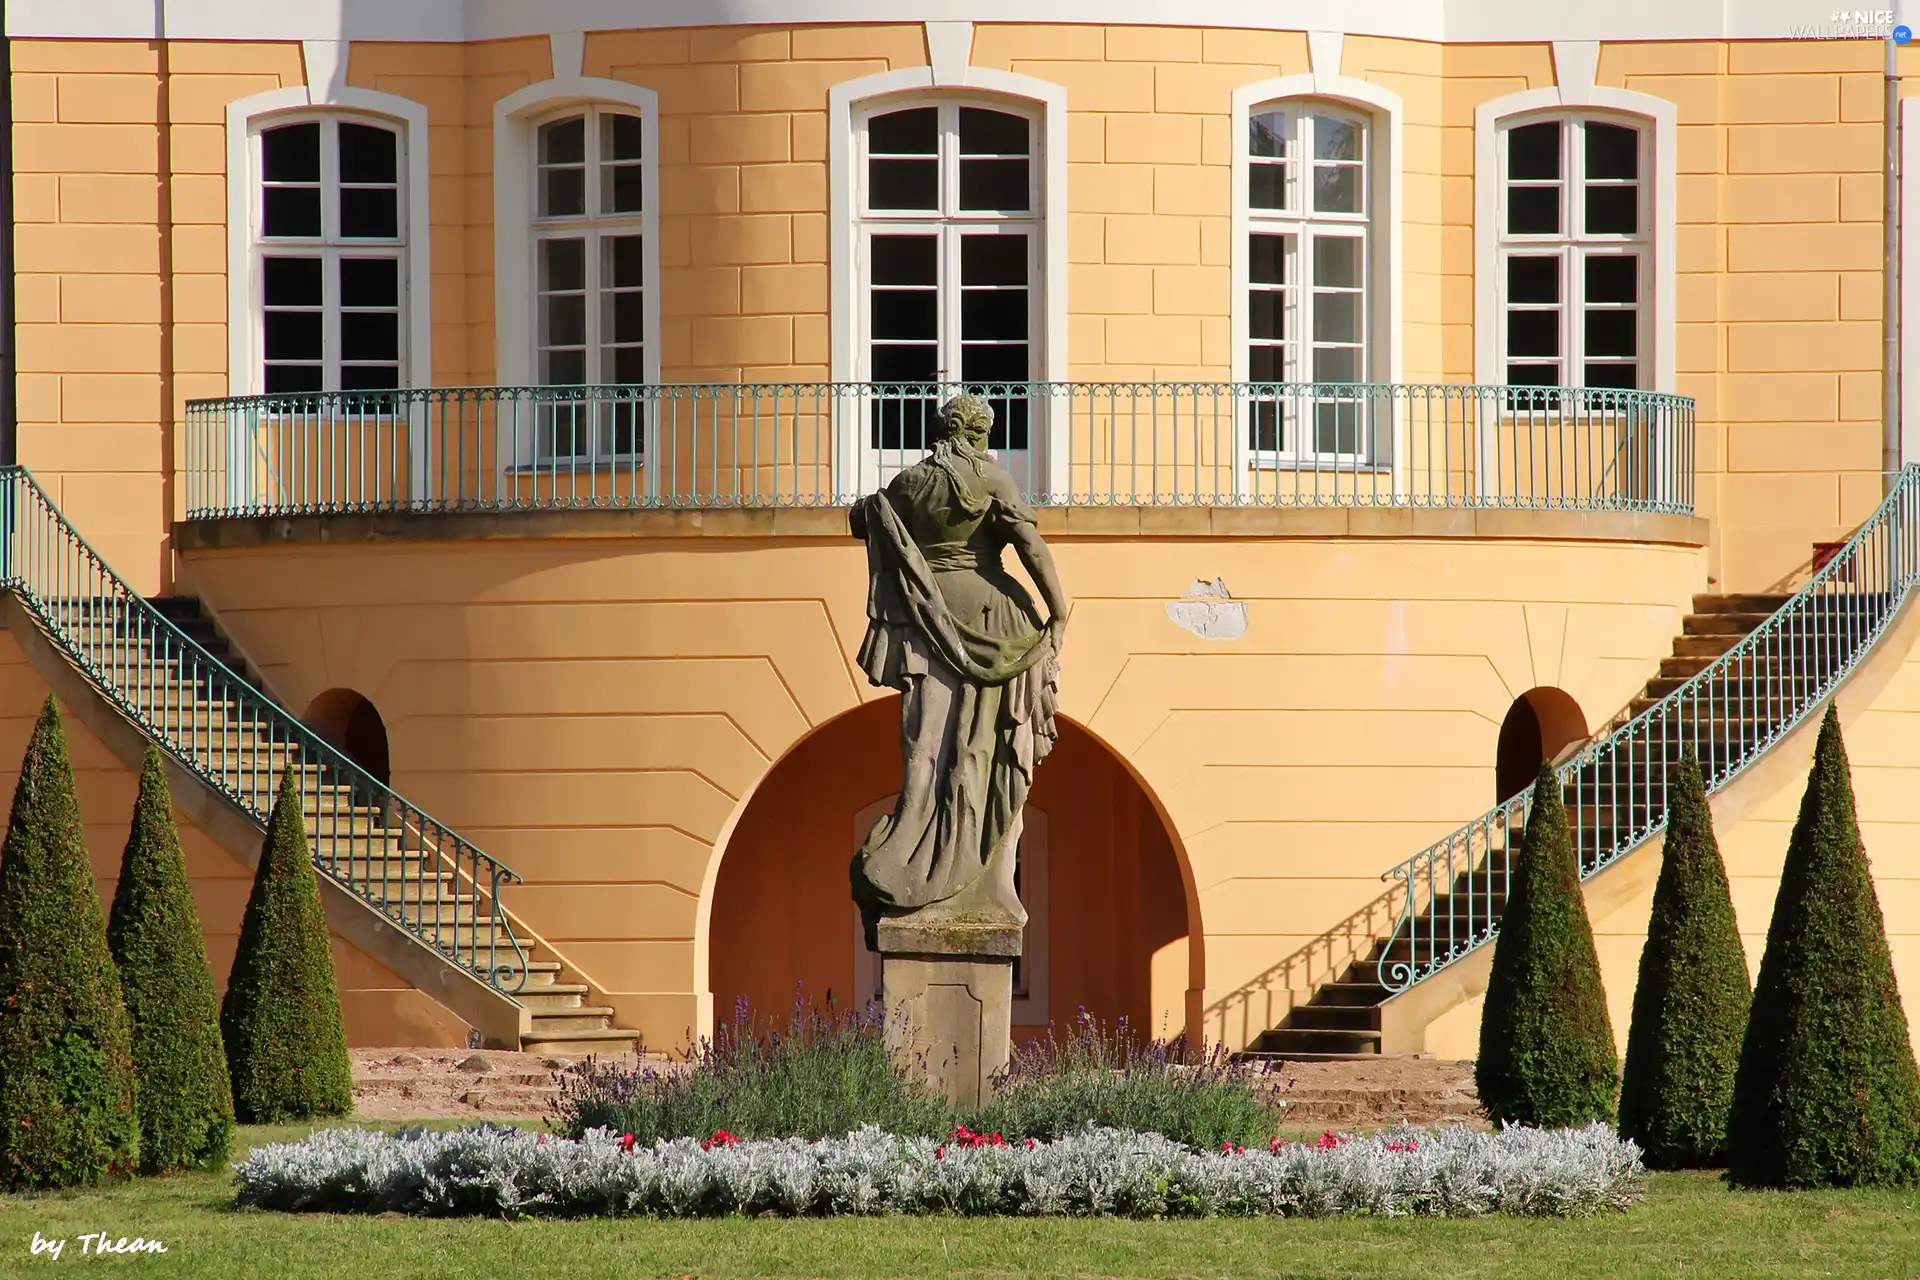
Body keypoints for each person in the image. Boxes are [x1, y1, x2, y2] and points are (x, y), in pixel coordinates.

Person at [849, 394, 1068, 947]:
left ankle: (905, 852)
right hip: (996, 618)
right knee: (990, 750)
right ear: (979, 433)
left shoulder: (908, 484)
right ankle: (978, 871)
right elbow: (1029, 546)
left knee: (924, 744)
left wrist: (879, 511)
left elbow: (861, 520)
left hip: (928, 614)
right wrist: (1058, 608)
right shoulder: (991, 480)